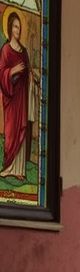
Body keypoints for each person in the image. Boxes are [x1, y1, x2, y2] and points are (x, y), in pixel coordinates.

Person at [0, 12, 30, 179]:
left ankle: (19, 170)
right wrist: (12, 71)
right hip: (10, 97)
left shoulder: (24, 51)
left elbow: (28, 71)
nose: (18, 30)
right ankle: (8, 166)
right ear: (10, 28)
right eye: (15, 26)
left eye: (19, 26)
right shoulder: (5, 49)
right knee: (11, 130)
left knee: (21, 129)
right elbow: (1, 73)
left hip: (22, 96)